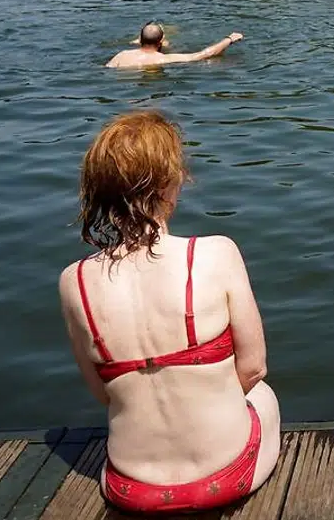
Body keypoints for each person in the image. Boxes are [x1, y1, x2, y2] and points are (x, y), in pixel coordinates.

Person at [58, 111, 280, 513]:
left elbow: (101, 394)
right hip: (225, 477)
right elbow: (253, 369)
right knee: (263, 393)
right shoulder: (215, 253)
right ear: (169, 184)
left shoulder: (73, 281)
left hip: (130, 488)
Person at [106, 22, 244, 68]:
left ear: (139, 40)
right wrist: (229, 39)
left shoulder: (120, 56)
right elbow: (204, 54)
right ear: (160, 42)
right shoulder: (163, 59)